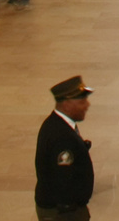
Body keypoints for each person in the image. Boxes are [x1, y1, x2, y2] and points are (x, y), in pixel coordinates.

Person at [35, 75, 95, 219]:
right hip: (64, 213)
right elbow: (63, 181)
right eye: (82, 101)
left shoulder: (58, 124)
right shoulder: (61, 136)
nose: (87, 105)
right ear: (67, 104)